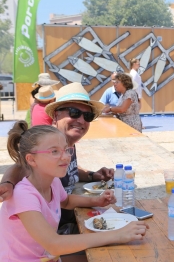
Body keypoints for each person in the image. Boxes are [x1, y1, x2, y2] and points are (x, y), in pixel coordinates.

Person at [0, 122, 149, 261]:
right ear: (31, 160)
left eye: (66, 150)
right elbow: (53, 244)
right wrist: (117, 234)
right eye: (54, 151)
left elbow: (66, 201)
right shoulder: (24, 195)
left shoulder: (53, 181)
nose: (65, 157)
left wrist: (96, 201)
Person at [0, 82, 114, 234]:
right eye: (74, 112)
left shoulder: (66, 145)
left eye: (87, 116)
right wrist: (7, 183)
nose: (81, 120)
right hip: (50, 232)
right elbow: (20, 166)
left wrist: (92, 175)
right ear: (56, 115)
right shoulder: (47, 143)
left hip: (63, 219)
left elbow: (69, 176)